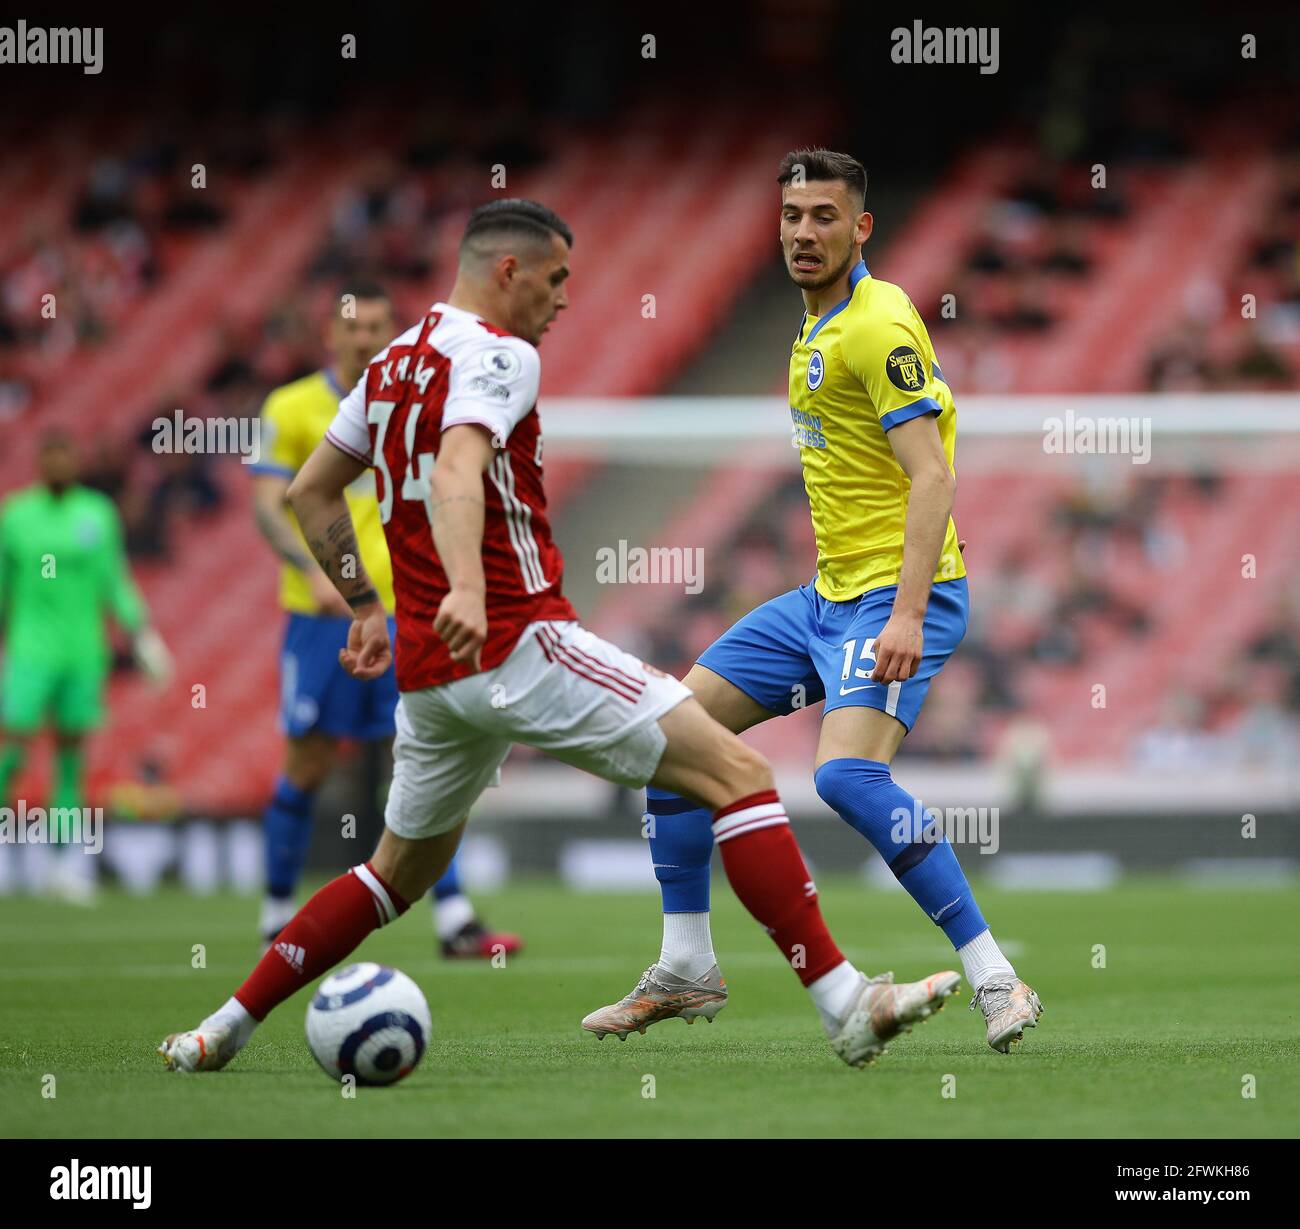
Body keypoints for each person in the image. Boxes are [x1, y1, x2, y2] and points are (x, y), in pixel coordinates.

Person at [159, 198, 960, 1075]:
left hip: (430, 677)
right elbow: (462, 464)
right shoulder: (504, 355)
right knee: (738, 772)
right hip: (514, 640)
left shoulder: (386, 365)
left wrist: (361, 606)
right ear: (509, 272)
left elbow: (311, 493)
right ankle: (845, 1002)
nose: (564, 299)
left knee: (393, 873)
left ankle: (223, 1027)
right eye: (556, 278)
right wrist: (469, 586)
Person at [582, 150, 1043, 1054]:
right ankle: (686, 965)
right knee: (669, 733)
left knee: (844, 776)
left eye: (824, 216)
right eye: (792, 214)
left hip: (898, 598)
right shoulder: (813, 329)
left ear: (860, 228)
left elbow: (932, 477)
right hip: (826, 598)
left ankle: (996, 974)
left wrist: (906, 613)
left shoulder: (875, 326)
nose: (803, 231)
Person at [249, 282, 519, 958]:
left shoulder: (413, 401)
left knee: (424, 759)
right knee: (308, 760)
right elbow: (268, 503)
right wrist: (315, 572)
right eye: (354, 326)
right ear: (330, 334)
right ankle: (276, 913)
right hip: (322, 617)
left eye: (377, 326)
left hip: (411, 611)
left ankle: (453, 918)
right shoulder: (290, 407)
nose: (366, 337)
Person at [0, 431, 171, 901]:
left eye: (65, 455)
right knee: (12, 752)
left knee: (70, 762)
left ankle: (60, 865)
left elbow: (114, 580)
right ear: (39, 463)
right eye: (50, 456)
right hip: (29, 650)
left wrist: (141, 633)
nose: (58, 465)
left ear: (73, 462)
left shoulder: (96, 514)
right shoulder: (16, 517)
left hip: (82, 654)